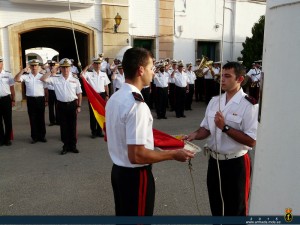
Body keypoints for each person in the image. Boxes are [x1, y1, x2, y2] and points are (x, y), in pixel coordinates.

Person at [105, 47, 195, 216]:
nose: (153, 72)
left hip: (118, 172)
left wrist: (169, 141)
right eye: (151, 68)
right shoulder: (136, 104)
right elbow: (137, 155)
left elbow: (128, 136)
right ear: (140, 70)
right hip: (135, 177)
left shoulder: (115, 98)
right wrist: (174, 154)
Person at [185, 61, 258, 216]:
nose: (222, 79)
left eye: (227, 76)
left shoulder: (249, 105)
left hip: (236, 163)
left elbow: (251, 140)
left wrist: (225, 127)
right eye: (221, 76)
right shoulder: (214, 101)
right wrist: (195, 135)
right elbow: (206, 128)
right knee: (216, 206)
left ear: (239, 79)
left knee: (236, 208)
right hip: (215, 161)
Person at [41, 58, 82, 155]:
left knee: (72, 126)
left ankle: (73, 146)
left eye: (67, 68)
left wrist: (79, 106)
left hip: (72, 105)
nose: (66, 70)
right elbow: (42, 79)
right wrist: (53, 70)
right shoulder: (55, 79)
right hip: (61, 105)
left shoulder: (75, 80)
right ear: (61, 69)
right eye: (63, 68)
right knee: (63, 127)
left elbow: (79, 93)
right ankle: (65, 146)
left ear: (70, 68)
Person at [15, 59, 47, 144]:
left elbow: (46, 88)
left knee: (41, 118)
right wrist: (22, 70)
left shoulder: (42, 76)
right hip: (31, 100)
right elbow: (16, 79)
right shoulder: (26, 76)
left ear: (38, 66)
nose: (34, 67)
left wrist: (46, 99)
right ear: (30, 66)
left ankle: (42, 136)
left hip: (40, 99)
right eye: (32, 65)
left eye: (36, 65)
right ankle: (34, 137)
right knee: (32, 118)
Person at [81, 56, 110, 138]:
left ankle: (99, 131)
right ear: (93, 65)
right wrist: (87, 67)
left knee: (101, 112)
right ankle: (93, 131)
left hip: (102, 95)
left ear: (100, 65)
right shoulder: (89, 74)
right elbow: (81, 75)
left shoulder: (103, 74)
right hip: (93, 95)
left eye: (99, 64)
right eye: (96, 64)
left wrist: (107, 95)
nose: (97, 65)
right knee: (93, 114)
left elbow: (106, 86)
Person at [0, 56, 15, 146]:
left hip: (6, 99)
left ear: (2, 63)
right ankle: (1, 139)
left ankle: (7, 139)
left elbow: (12, 88)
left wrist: (13, 99)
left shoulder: (8, 74)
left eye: (0, 62)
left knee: (8, 120)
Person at [46, 60, 60, 126]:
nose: (52, 66)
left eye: (53, 65)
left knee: (58, 107)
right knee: (51, 107)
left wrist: (56, 66)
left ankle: (58, 120)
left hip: (57, 92)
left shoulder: (58, 76)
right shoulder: (47, 74)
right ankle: (52, 121)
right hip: (50, 91)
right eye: (50, 65)